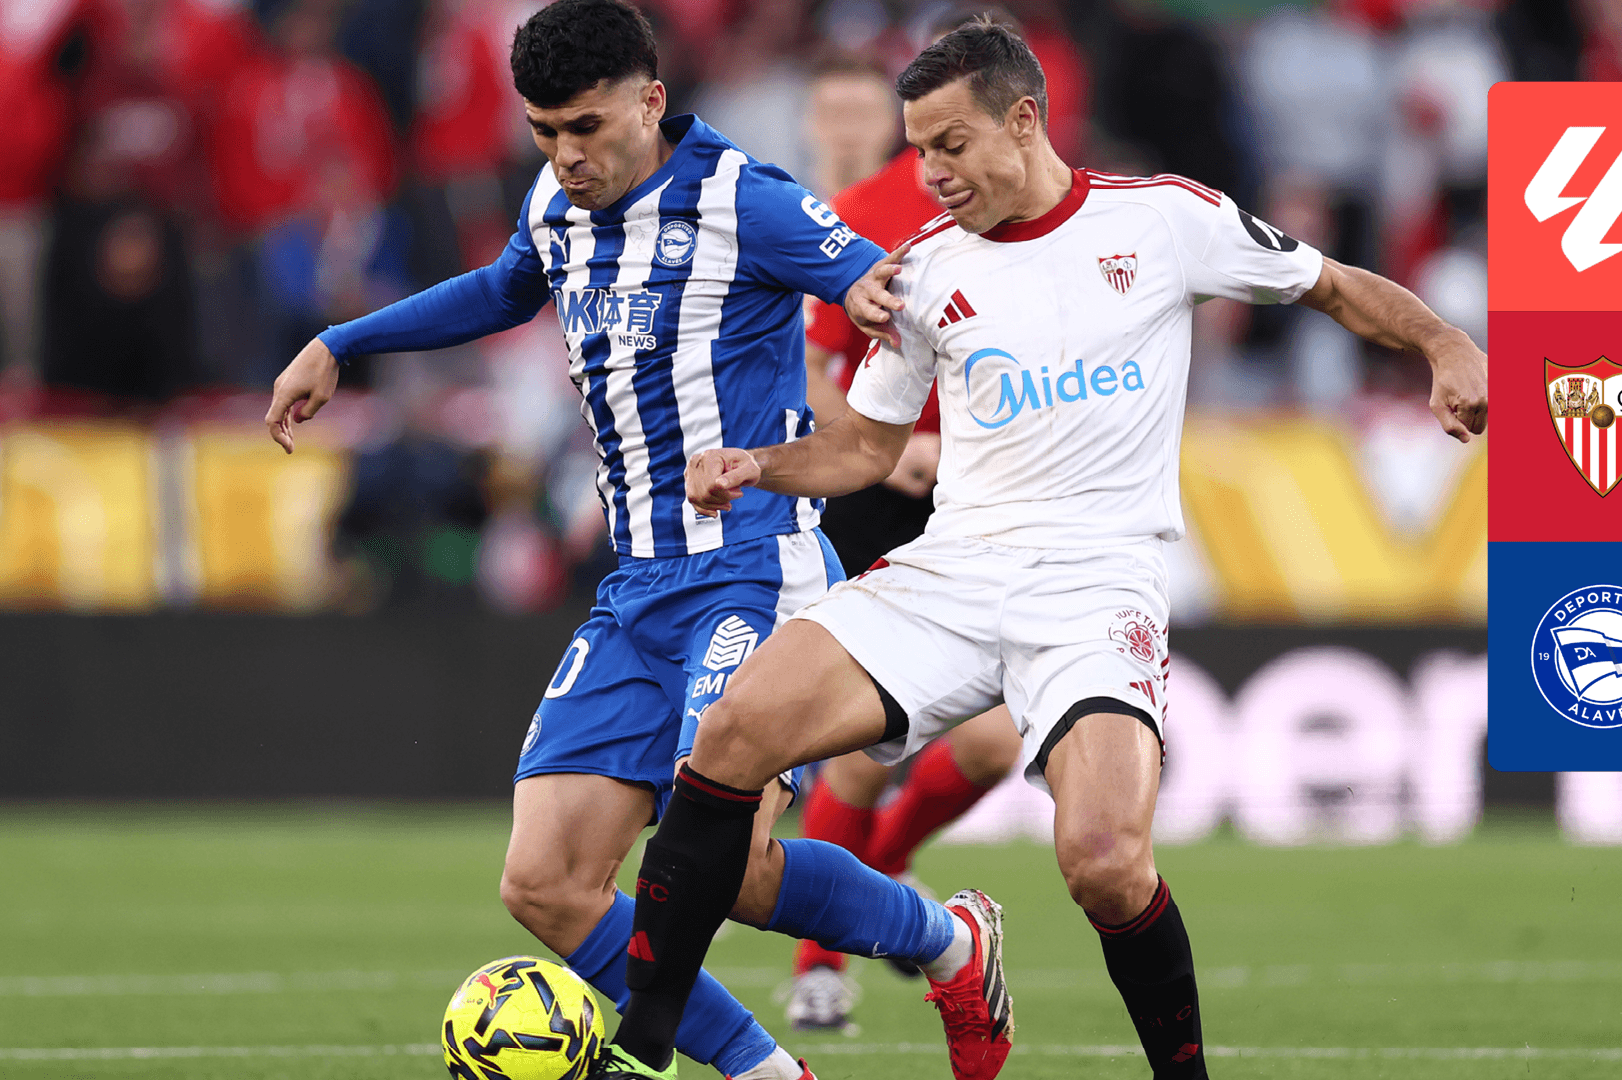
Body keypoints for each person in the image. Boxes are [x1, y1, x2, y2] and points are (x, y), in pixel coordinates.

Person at [601, 19, 1488, 1080]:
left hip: (1096, 581)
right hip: (955, 566)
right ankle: (645, 1039)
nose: (932, 173)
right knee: (733, 730)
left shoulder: (1166, 220)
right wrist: (759, 464)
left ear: (1024, 120)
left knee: (1105, 865)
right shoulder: (923, 271)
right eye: (918, 150)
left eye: (951, 145)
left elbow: (1331, 284)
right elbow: (868, 446)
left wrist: (1445, 343)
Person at [262, 3, 985, 1078]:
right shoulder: (556, 202)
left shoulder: (744, 198)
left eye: (587, 127)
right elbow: (502, 289)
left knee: (727, 862)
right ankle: (769, 1072)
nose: (566, 155)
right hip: (638, 590)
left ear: (650, 102)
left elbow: (882, 288)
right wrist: (342, 341)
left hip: (753, 570)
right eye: (545, 131)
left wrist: (901, 381)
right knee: (546, 883)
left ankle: (950, 942)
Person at [788, 53, 1023, 1035]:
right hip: (879, 496)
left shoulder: (1034, 211)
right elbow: (809, 367)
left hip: (981, 501)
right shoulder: (857, 215)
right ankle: (818, 970)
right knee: (860, 747)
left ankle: (879, 878)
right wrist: (889, 454)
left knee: (993, 745)